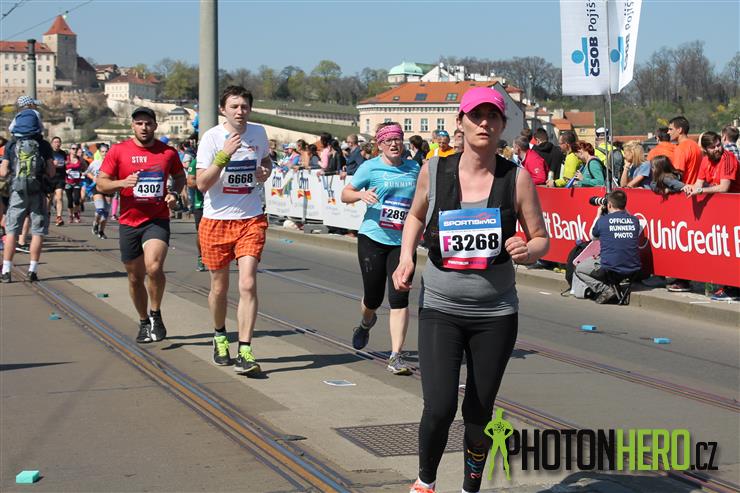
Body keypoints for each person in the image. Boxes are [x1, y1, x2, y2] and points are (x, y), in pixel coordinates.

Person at [391, 87, 549, 493]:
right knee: (440, 406)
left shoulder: (516, 178)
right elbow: (415, 215)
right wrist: (406, 257)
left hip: (495, 314)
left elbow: (541, 239)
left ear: (502, 125)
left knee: (478, 413)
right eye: (475, 116)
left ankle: (469, 488)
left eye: (492, 117)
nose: (484, 123)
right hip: (440, 307)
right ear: (460, 122)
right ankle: (425, 482)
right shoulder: (434, 170)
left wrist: (527, 250)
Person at [196, 85, 272, 375]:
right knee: (219, 288)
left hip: (250, 218)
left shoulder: (259, 133)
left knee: (248, 283)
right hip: (216, 220)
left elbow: (265, 160)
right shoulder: (212, 138)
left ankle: (245, 350)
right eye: (234, 107)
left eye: (244, 107)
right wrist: (223, 156)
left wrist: (266, 170)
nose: (240, 112)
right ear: (223, 110)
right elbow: (202, 184)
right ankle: (219, 336)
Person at [96, 107, 185, 343]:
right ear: (132, 126)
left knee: (153, 267)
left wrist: (174, 193)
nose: (144, 127)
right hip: (129, 221)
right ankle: (144, 321)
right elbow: (101, 184)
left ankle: (155, 313)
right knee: (135, 277)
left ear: (155, 125)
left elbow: (179, 176)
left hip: (156, 219)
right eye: (139, 123)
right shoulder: (118, 151)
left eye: (148, 123)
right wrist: (122, 183)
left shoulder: (167, 153)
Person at [341, 122, 420, 375]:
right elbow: (345, 193)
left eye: (398, 139)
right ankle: (366, 323)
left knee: (399, 297)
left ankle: (396, 355)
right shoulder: (370, 167)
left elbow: (423, 199)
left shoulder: (414, 168)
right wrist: (360, 195)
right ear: (380, 144)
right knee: (373, 298)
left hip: (403, 243)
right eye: (388, 141)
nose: (394, 144)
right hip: (373, 237)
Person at [0, 130, 54, 283]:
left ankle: (6, 271)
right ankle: (32, 271)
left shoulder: (12, 144)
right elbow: (51, 172)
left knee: (11, 231)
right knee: (37, 232)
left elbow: (3, 172)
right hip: (38, 191)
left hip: (17, 192)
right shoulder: (43, 145)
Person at [575, 190, 641, 304]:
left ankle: (605, 289)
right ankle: (610, 288)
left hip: (610, 268)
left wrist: (598, 215)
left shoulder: (603, 221)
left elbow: (592, 237)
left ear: (609, 205)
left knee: (579, 269)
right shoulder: (635, 221)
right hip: (633, 267)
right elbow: (627, 216)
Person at [85, 143, 111, 239]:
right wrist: (93, 178)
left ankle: (101, 231)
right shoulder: (95, 163)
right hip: (97, 188)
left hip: (109, 189)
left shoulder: (113, 163)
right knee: (100, 209)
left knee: (105, 214)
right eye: (102, 152)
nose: (104, 153)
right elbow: (87, 172)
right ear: (99, 152)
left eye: (106, 151)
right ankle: (95, 223)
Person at [668, 116, 702, 186]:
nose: (668, 132)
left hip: (684, 189)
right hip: (695, 188)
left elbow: (677, 175)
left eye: (671, 129)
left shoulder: (681, 148)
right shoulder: (696, 146)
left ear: (679, 130)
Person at [65, 144, 85, 223]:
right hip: (68, 182)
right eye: (73, 148)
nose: (75, 150)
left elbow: (86, 168)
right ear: (70, 150)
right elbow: (61, 168)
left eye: (76, 149)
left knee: (76, 199)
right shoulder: (66, 159)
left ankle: (76, 213)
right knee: (70, 201)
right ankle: (70, 215)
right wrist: (65, 171)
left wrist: (82, 173)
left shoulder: (80, 159)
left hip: (77, 182)